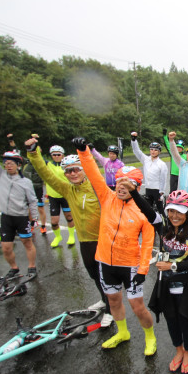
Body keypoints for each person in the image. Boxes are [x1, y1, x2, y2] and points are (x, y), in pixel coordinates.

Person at [74, 137, 157, 355]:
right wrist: (83, 151)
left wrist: (143, 270)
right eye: (119, 182)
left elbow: (148, 244)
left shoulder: (142, 212)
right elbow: (93, 173)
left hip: (130, 266)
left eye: (127, 184)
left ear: (137, 187)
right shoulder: (107, 198)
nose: (121, 187)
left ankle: (150, 337)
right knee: (113, 300)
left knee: (138, 307)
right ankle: (122, 333)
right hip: (105, 262)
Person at [25, 138, 112, 327]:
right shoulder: (68, 189)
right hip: (84, 240)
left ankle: (111, 311)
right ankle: (104, 301)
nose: (72, 174)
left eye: (76, 169)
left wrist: (84, 151)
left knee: (106, 277)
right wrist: (33, 152)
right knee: (93, 275)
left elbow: (94, 170)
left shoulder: (96, 185)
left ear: (83, 169)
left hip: (102, 240)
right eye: (68, 171)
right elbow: (46, 175)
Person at [147, 190, 188, 374]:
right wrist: (133, 191)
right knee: (171, 319)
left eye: (179, 212)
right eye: (171, 211)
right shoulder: (164, 227)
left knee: (185, 320)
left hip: (184, 285)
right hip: (165, 284)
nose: (174, 216)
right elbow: (147, 211)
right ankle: (178, 350)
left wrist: (171, 266)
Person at [0, 134, 38, 278]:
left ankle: (32, 266)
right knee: (6, 248)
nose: (8, 165)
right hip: (6, 217)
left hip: (21, 217)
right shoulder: (0, 175)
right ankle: (14, 268)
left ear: (18, 165)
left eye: (11, 163)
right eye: (6, 163)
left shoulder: (25, 182)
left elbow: (32, 201)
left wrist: (33, 218)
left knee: (27, 242)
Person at [45, 145, 76, 248]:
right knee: (54, 221)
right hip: (53, 196)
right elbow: (37, 159)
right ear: (51, 156)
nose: (57, 156)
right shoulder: (48, 165)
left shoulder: (67, 166)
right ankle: (58, 237)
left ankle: (71, 236)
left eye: (59, 154)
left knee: (69, 217)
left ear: (63, 155)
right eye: (54, 155)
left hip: (65, 195)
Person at [130, 132, 168, 214]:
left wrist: (162, 192)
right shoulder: (146, 160)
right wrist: (134, 140)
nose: (153, 151)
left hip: (157, 190)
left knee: (160, 210)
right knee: (147, 210)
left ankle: (165, 224)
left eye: (155, 150)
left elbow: (163, 179)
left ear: (159, 152)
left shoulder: (162, 164)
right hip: (148, 188)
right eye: (151, 149)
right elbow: (136, 151)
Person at [20, 134, 47, 233]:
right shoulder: (26, 162)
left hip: (38, 187)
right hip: (27, 189)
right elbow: (16, 151)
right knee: (28, 208)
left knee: (40, 208)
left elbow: (49, 178)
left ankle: (43, 226)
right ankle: (32, 224)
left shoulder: (43, 163)